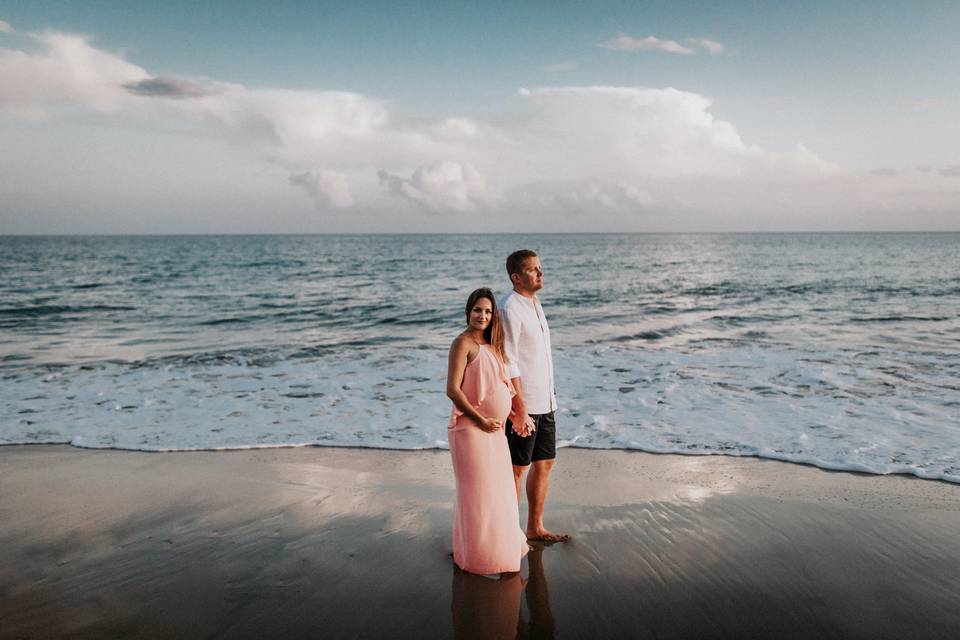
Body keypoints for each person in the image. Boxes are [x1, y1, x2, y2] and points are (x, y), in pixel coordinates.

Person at [446, 287, 530, 574]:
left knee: (500, 493)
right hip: (470, 430)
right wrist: (480, 419)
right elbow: (453, 391)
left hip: (494, 432)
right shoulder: (463, 344)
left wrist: (516, 413)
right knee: (477, 496)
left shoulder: (494, 345)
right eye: (477, 310)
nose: (482, 315)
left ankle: (499, 551)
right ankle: (477, 558)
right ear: (468, 311)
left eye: (488, 311)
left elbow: (504, 385)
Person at [500, 250, 570, 543]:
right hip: (524, 404)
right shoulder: (508, 308)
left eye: (540, 268)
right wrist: (519, 409)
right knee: (517, 469)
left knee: (545, 462)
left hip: (546, 401)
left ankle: (534, 527)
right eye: (532, 270)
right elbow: (509, 360)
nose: (540, 273)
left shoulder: (534, 303)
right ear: (517, 277)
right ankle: (507, 534)